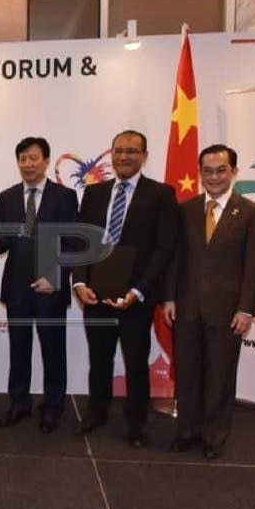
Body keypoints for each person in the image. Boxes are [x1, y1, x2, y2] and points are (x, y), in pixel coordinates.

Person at [72, 130, 179, 448]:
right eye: (118, 150)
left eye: (132, 151)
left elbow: (164, 248)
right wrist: (79, 282)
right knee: (99, 359)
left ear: (144, 156)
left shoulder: (161, 194)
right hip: (96, 293)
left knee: (135, 362)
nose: (124, 156)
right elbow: (82, 242)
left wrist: (139, 291)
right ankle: (96, 413)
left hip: (136, 296)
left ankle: (136, 423)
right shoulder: (94, 193)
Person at [164, 144, 255, 460]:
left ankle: (214, 436)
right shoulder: (185, 209)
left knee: (220, 377)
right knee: (188, 374)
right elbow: (175, 259)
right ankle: (187, 431)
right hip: (186, 307)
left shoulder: (252, 213)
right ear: (199, 173)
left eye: (221, 170)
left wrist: (247, 309)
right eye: (207, 171)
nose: (214, 177)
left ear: (233, 172)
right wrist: (169, 297)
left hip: (227, 311)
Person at [0, 137, 78, 433]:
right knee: (19, 349)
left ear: (46, 161)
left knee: (53, 351)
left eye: (33, 158)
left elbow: (73, 243)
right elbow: (5, 240)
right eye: (22, 159)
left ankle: (52, 407)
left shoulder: (64, 196)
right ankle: (19, 403)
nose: (27, 164)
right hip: (17, 286)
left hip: (50, 287)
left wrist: (55, 276)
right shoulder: (6, 197)